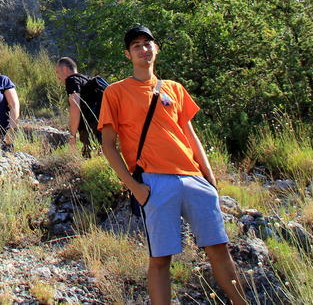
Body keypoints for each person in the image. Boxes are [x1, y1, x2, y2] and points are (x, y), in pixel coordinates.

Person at [99, 26, 247, 305]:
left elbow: (190, 135)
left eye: (147, 44)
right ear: (128, 54)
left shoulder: (175, 89)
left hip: (193, 179)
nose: (143, 50)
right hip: (154, 182)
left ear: (156, 48)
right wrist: (135, 188)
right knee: (160, 258)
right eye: (136, 46)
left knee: (218, 248)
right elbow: (108, 145)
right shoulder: (116, 92)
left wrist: (210, 179)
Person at [55, 57, 103, 158]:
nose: (57, 77)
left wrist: (72, 136)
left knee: (89, 158)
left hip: (90, 127)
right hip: (103, 124)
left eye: (57, 72)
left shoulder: (71, 80)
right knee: (103, 155)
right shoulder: (86, 79)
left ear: (65, 69)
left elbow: (75, 106)